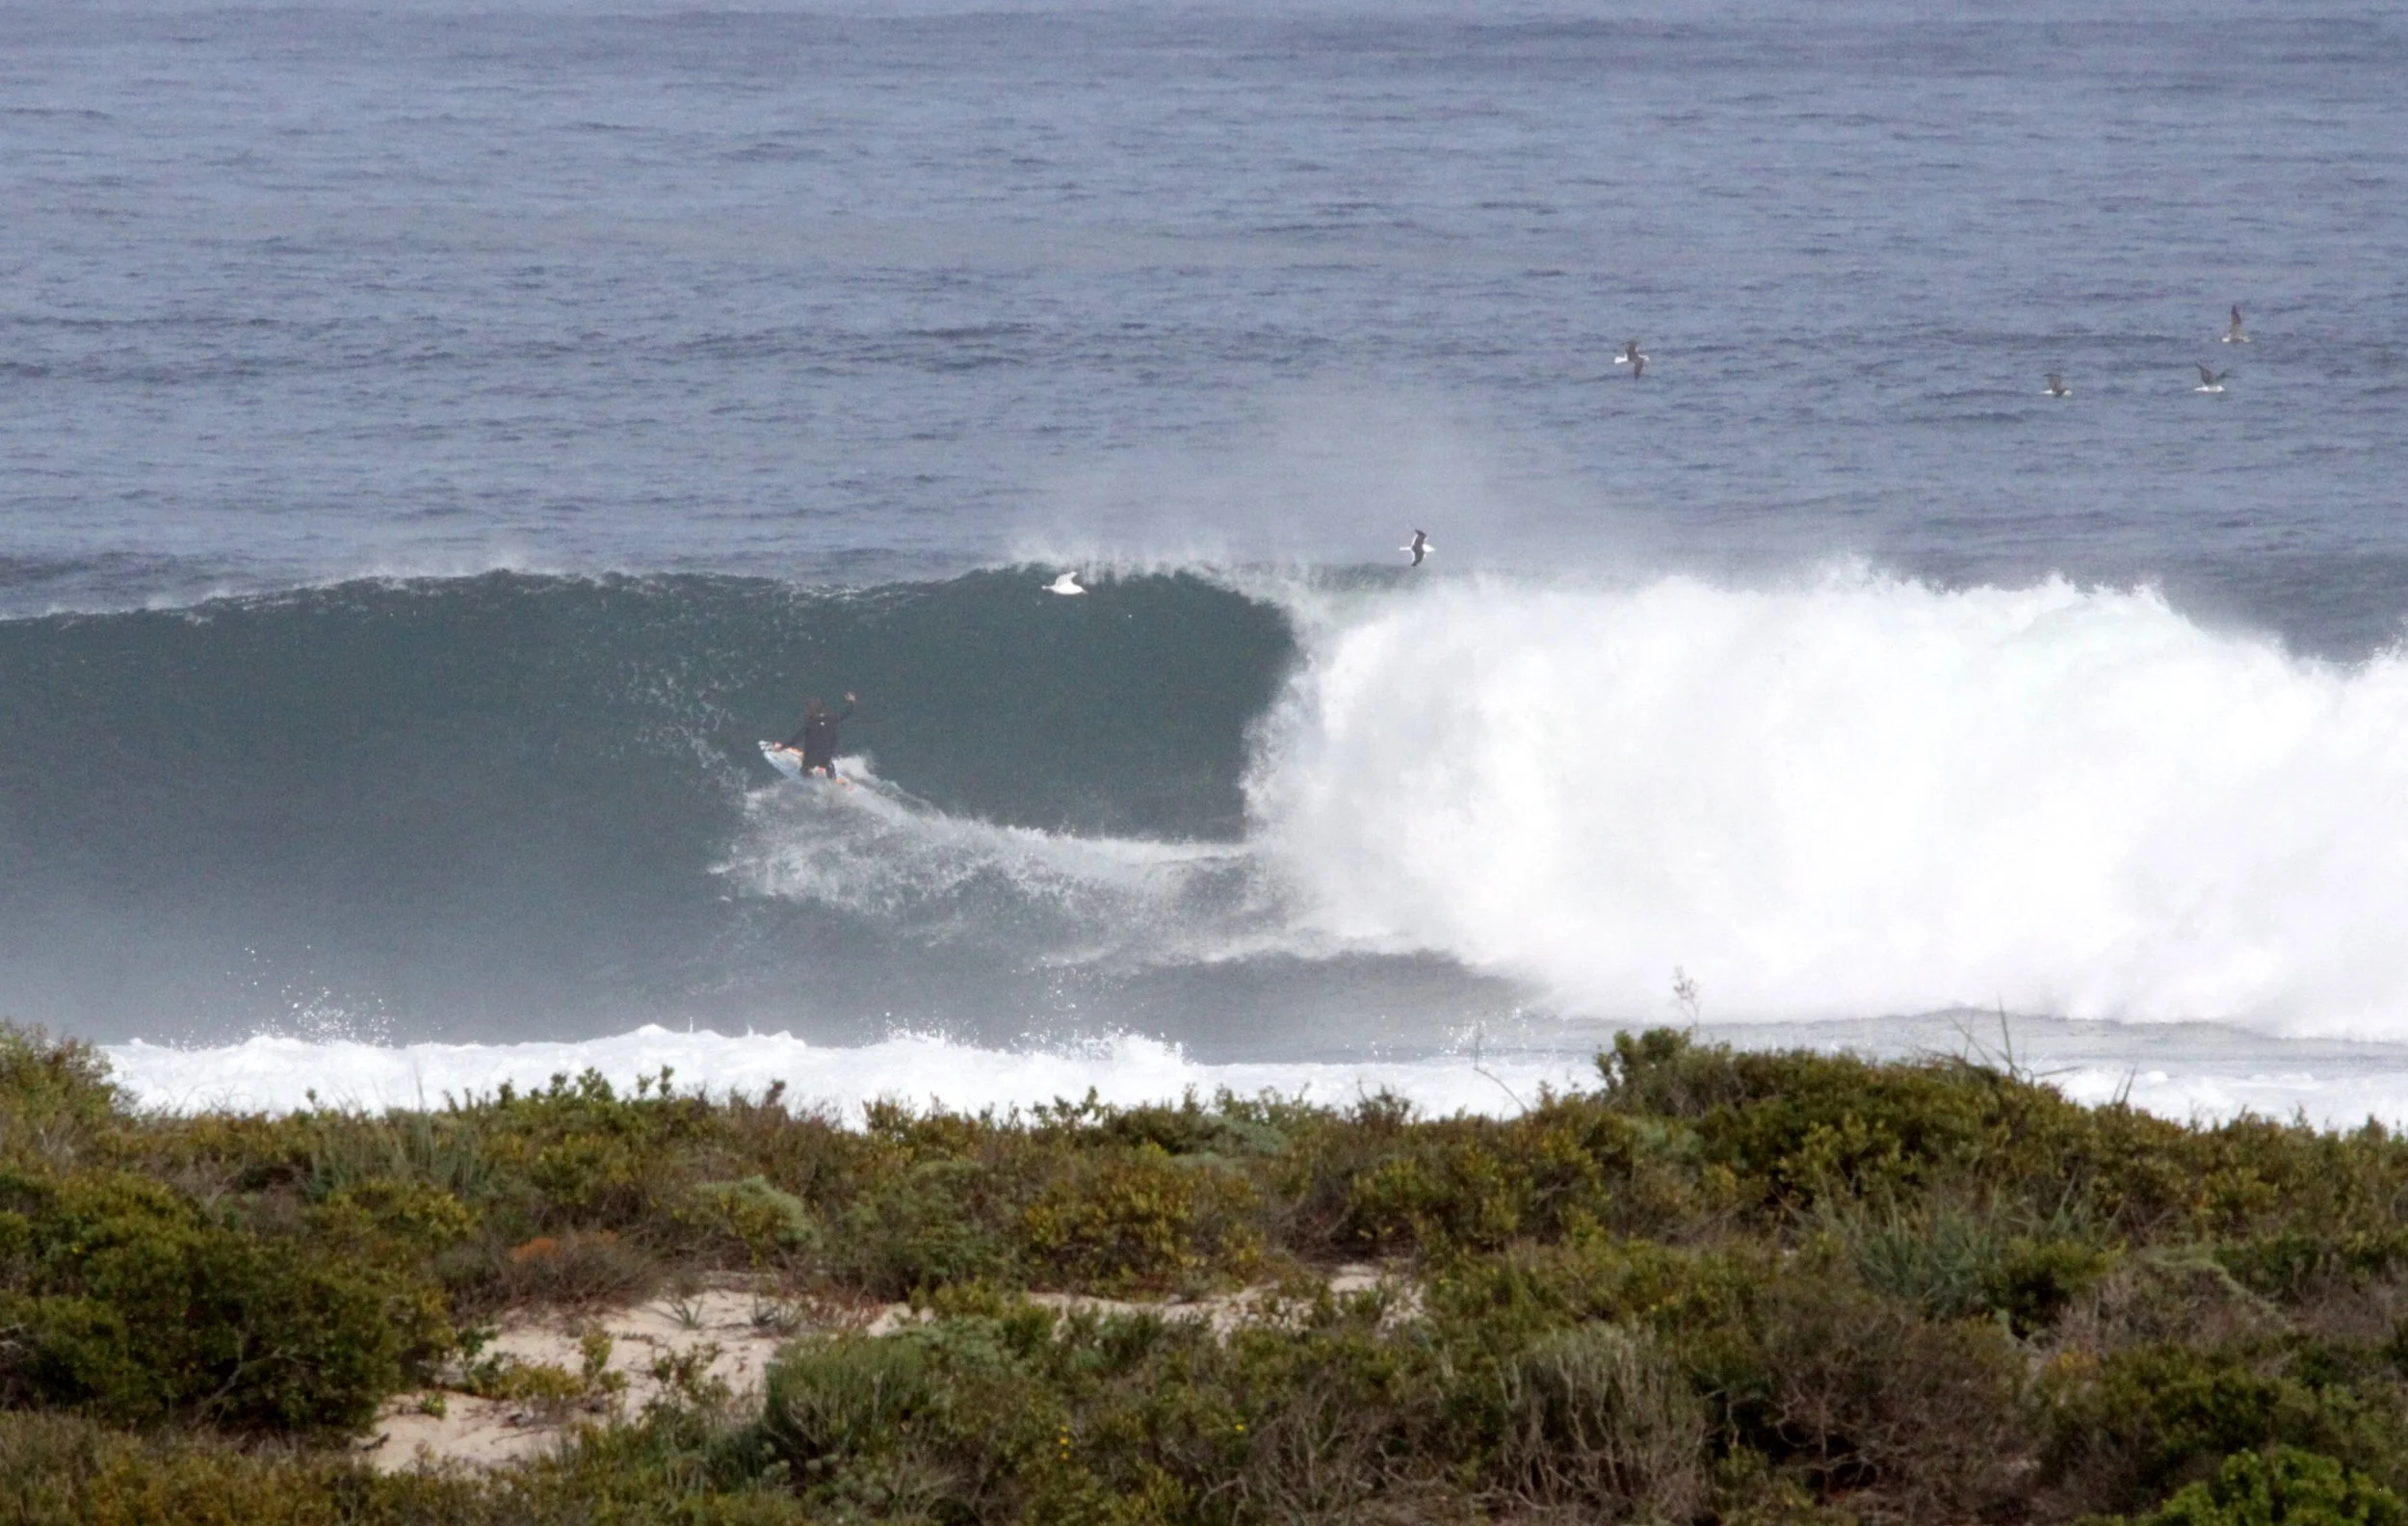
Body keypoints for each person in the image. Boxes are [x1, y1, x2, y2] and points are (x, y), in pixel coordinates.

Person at [783, 692, 855, 779]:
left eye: (808, 709)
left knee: (804, 768)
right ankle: (831, 776)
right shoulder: (831, 718)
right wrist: (852, 702)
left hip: (815, 754)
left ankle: (811, 779)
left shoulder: (810, 724)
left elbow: (796, 739)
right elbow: (846, 713)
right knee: (826, 760)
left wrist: (781, 747)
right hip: (828, 752)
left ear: (810, 710)